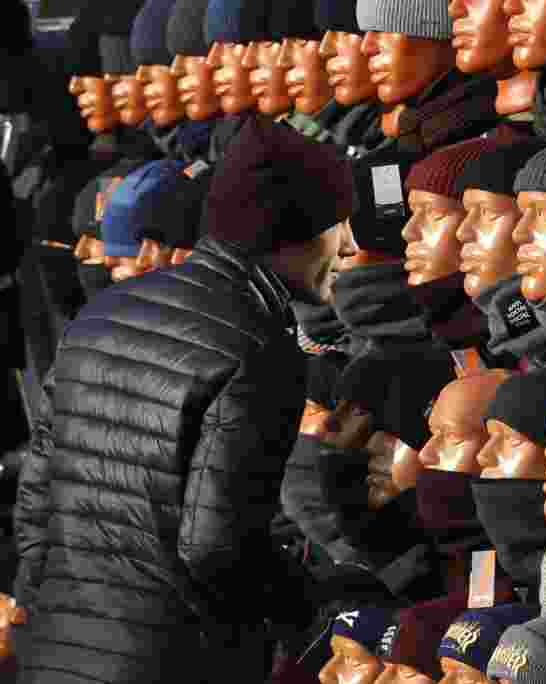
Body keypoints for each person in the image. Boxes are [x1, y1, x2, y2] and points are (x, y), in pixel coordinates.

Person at [12, 117, 353, 684]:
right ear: (287, 230)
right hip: (176, 657)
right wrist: (309, 615)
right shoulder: (256, 345)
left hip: (56, 654)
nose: (347, 247)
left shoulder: (101, 315)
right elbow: (215, 546)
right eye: (336, 225)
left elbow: (36, 502)